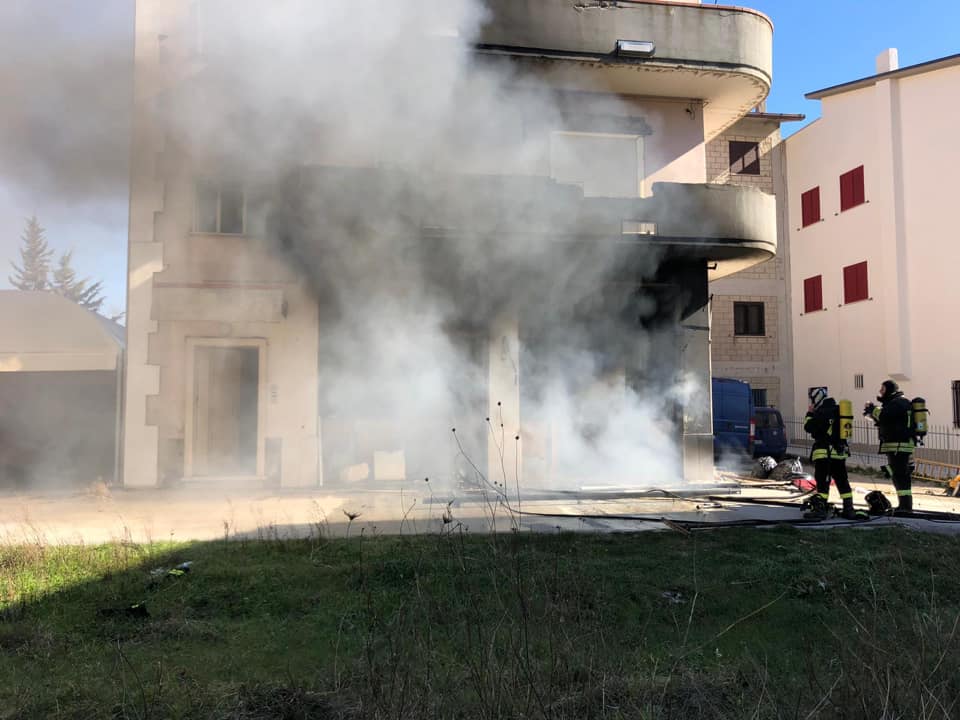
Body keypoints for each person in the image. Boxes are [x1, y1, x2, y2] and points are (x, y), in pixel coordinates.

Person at [803, 388, 859, 520]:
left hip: (824, 453)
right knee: (842, 480)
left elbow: (808, 427)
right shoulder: (840, 411)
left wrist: (809, 414)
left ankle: (821, 509)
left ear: (817, 399)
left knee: (823, 481)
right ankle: (849, 509)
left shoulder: (821, 412)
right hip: (839, 453)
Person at [864, 379, 914, 515]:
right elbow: (887, 420)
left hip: (899, 445)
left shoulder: (898, 402)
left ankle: (905, 507)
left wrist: (872, 409)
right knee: (899, 475)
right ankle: (904, 505)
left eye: (883, 389)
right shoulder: (897, 403)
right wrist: (873, 413)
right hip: (897, 445)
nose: (880, 391)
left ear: (890, 390)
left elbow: (885, 416)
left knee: (900, 476)